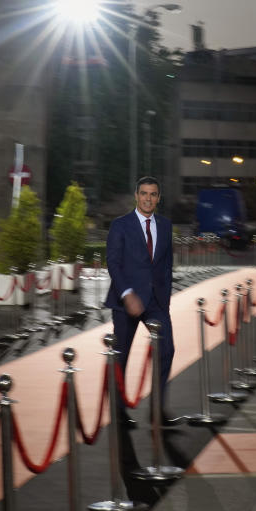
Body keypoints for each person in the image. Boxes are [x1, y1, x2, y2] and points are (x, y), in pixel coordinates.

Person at [105, 177, 176, 427]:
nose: (148, 198)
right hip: (126, 301)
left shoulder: (166, 226)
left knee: (167, 350)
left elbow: (166, 265)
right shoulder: (120, 225)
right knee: (121, 357)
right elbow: (113, 262)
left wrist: (164, 300)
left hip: (156, 301)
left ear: (159, 198)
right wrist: (127, 294)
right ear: (136, 195)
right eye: (144, 193)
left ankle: (157, 409)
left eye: (153, 194)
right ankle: (118, 412)